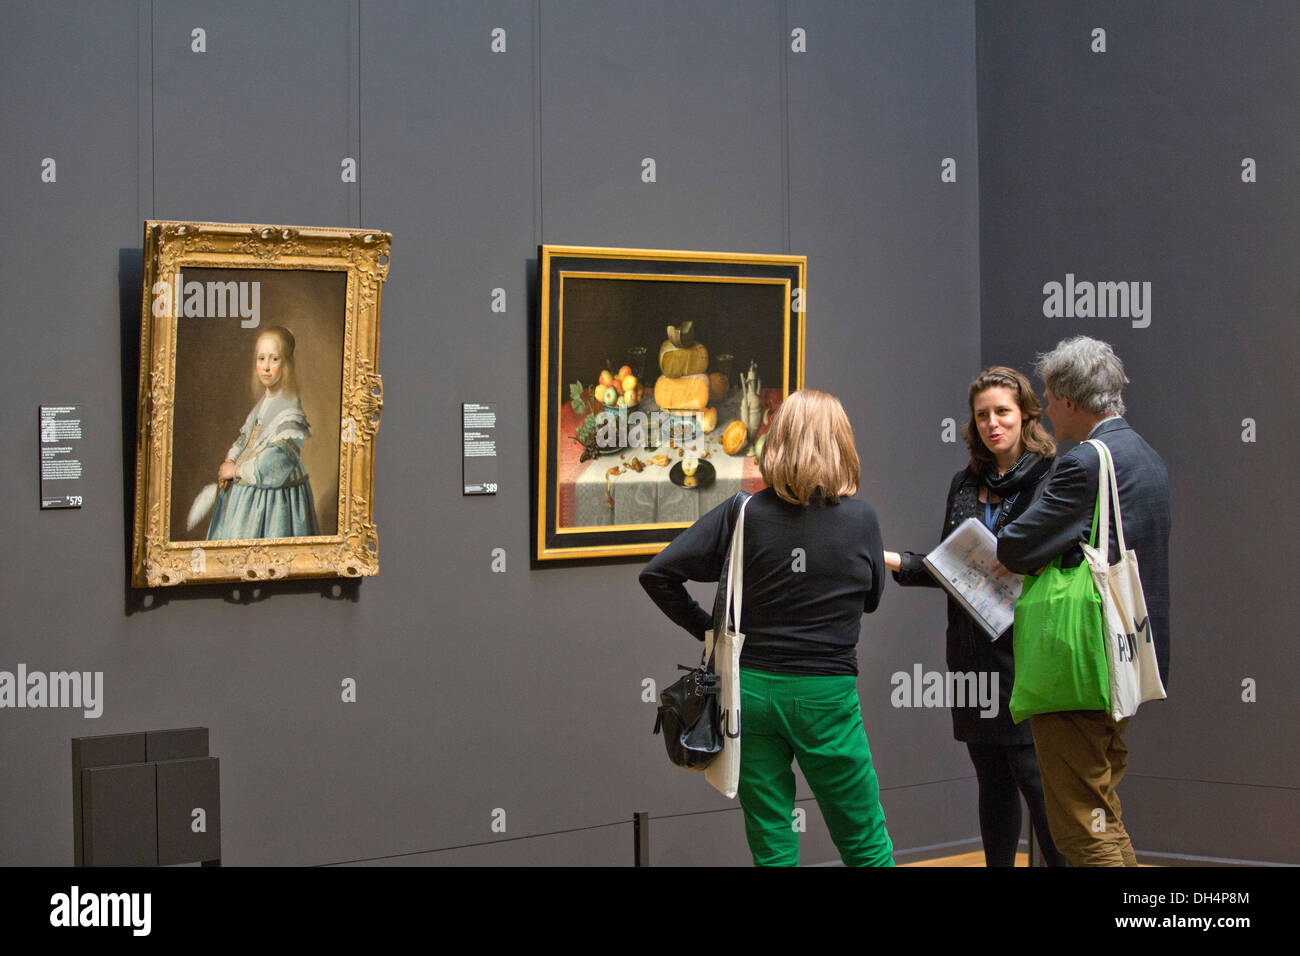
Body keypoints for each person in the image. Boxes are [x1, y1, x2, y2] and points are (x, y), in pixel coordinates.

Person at [640, 389, 894, 867]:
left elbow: (657, 574)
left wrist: (707, 631)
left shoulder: (743, 514)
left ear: (776, 440)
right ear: (842, 443)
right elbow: (873, 600)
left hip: (750, 693)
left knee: (772, 842)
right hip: (827, 698)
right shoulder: (862, 519)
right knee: (865, 841)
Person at [997, 336, 1170, 867]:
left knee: (1078, 827)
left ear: (1071, 401)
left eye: (1050, 398)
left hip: (1080, 662)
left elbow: (1015, 545)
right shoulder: (1146, 455)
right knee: (1100, 808)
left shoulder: (1085, 464)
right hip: (1127, 656)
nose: (1045, 410)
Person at [884, 366, 1066, 867]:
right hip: (970, 653)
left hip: (1026, 652)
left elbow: (1061, 561)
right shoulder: (964, 482)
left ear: (1026, 415)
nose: (992, 423)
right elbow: (953, 567)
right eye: (982, 415)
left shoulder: (1052, 478)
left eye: (1002, 412)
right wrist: (894, 560)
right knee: (991, 781)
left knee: (1037, 783)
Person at [207, 326, 321, 540]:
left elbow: (276, 463)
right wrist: (229, 460)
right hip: (249, 498)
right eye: (261, 359)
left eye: (274, 359)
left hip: (277, 502)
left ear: (286, 364)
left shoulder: (290, 410)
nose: (266, 367)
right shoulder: (263, 403)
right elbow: (246, 439)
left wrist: (235, 471)